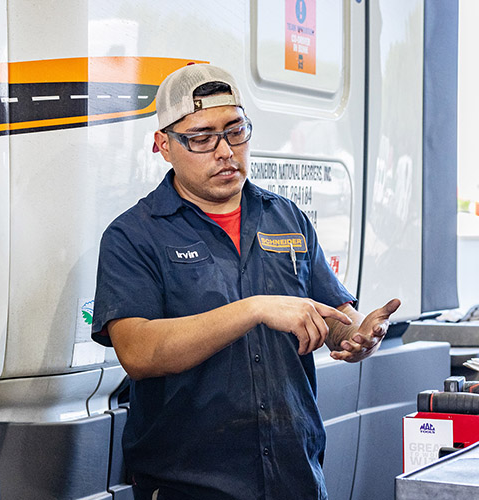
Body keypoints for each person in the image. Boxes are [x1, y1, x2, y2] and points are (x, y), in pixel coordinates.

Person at [91, 64, 400, 499]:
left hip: (297, 478)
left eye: (236, 131)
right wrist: (253, 308)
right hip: (190, 485)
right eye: (202, 138)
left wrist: (357, 333)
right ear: (163, 144)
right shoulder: (135, 235)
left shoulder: (287, 218)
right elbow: (139, 352)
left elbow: (330, 317)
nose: (225, 151)